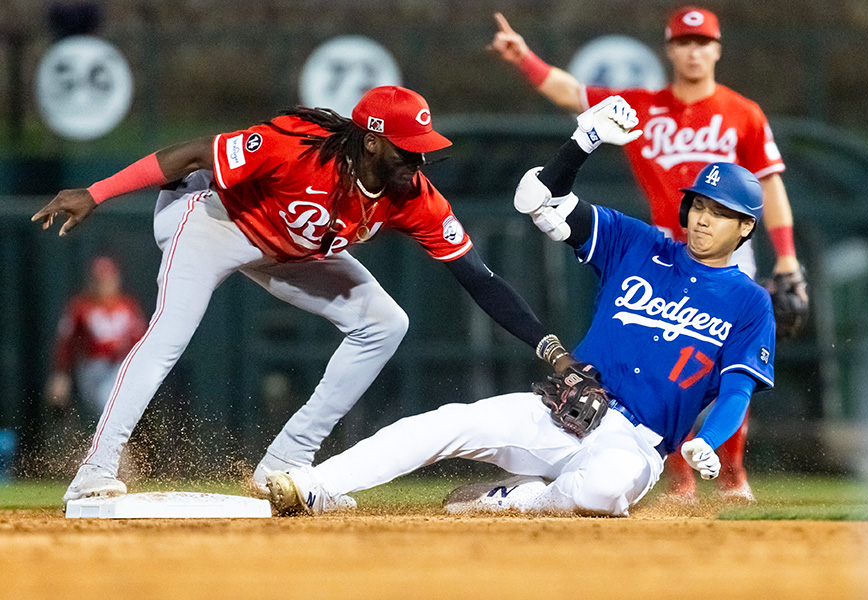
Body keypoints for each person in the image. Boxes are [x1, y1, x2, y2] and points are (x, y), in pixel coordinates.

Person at [33, 86, 573, 503]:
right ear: (371, 140)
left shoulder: (415, 198)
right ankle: (95, 471)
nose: (419, 162)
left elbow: (479, 277)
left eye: (424, 150)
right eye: (408, 150)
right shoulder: (296, 146)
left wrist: (548, 346)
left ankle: (284, 465)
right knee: (170, 334)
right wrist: (95, 192)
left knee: (386, 322)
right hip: (213, 221)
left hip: (290, 250)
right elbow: (191, 155)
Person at [264, 97, 776, 518]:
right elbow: (538, 200)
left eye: (722, 213)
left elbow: (736, 389)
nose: (704, 219)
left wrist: (709, 439)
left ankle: (515, 500)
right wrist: (583, 142)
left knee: (602, 491)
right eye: (700, 206)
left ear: (747, 227)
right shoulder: (636, 243)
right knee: (446, 423)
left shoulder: (750, 303)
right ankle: (314, 485)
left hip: (637, 445)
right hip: (565, 410)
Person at [489, 7, 806, 501]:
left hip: (728, 253)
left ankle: (732, 470)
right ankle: (676, 473)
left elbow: (771, 185)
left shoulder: (743, 112)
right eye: (683, 42)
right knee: (667, 366)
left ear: (717, 49)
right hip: (661, 251)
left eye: (702, 42)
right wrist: (524, 57)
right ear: (670, 49)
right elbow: (574, 94)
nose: (693, 51)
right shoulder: (645, 107)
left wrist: (786, 257)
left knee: (724, 369)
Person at [45, 256, 147, 421]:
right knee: (108, 409)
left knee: (115, 415)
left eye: (108, 278)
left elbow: (141, 342)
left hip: (122, 368)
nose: (104, 284)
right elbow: (66, 343)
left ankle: (117, 444)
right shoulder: (80, 306)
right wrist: (60, 375)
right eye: (99, 280)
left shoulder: (128, 305)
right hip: (93, 370)